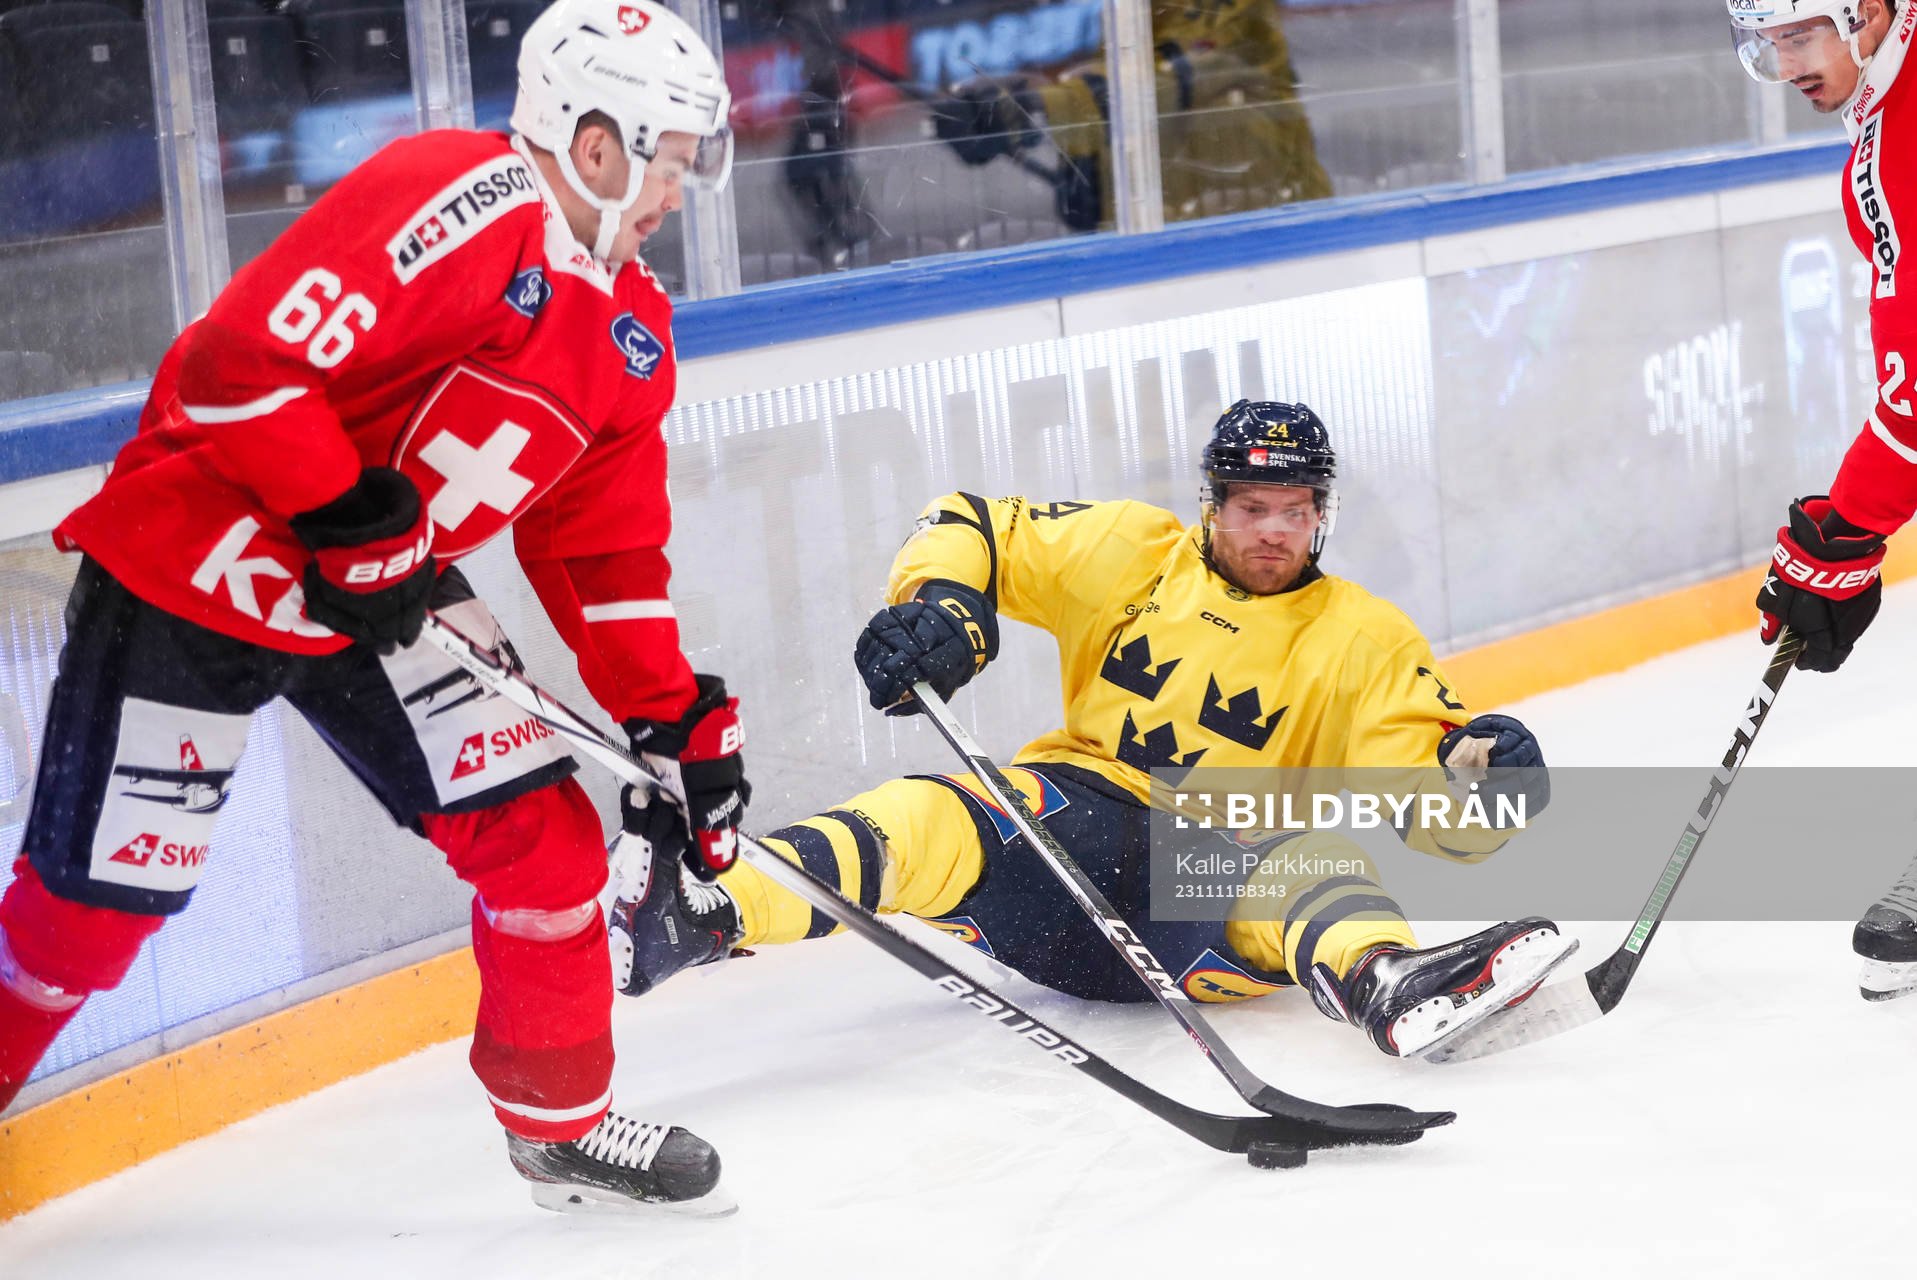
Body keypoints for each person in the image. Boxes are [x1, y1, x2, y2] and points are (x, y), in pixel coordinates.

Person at [0, 0, 751, 1215]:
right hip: (205, 558)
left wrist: (673, 717)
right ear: (596, 143)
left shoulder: (630, 330)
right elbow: (239, 365)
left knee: (546, 840)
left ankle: (559, 1128)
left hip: (382, 590)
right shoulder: (462, 194)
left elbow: (601, 549)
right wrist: (347, 510)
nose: (677, 190)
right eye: (667, 160)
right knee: (88, 912)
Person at [608, 400, 1572, 1061]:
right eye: (1251, 508)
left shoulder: (1365, 637)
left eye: (1294, 510)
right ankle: (704, 910)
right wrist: (945, 604)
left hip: (1205, 901)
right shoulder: (1134, 553)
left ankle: (1385, 984)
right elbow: (969, 521)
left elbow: (1434, 800)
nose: (1273, 531)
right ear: (1213, 504)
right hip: (1060, 855)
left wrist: (1489, 784)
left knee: (1307, 857)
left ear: (1321, 515)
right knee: (928, 815)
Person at [1728, 0, 1917, 995]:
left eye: (1802, 33)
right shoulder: (1884, 118)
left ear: (1869, 13)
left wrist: (1843, 531)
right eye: (1772, 42)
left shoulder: (1896, 150)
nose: (1788, 62)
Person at [930, 0, 1333, 231]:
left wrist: (1034, 106)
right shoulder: (1129, 15)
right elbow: (1129, 107)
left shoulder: (1220, 11)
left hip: (1280, 238)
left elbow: (1181, 76)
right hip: (1184, 248)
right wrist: (1091, 175)